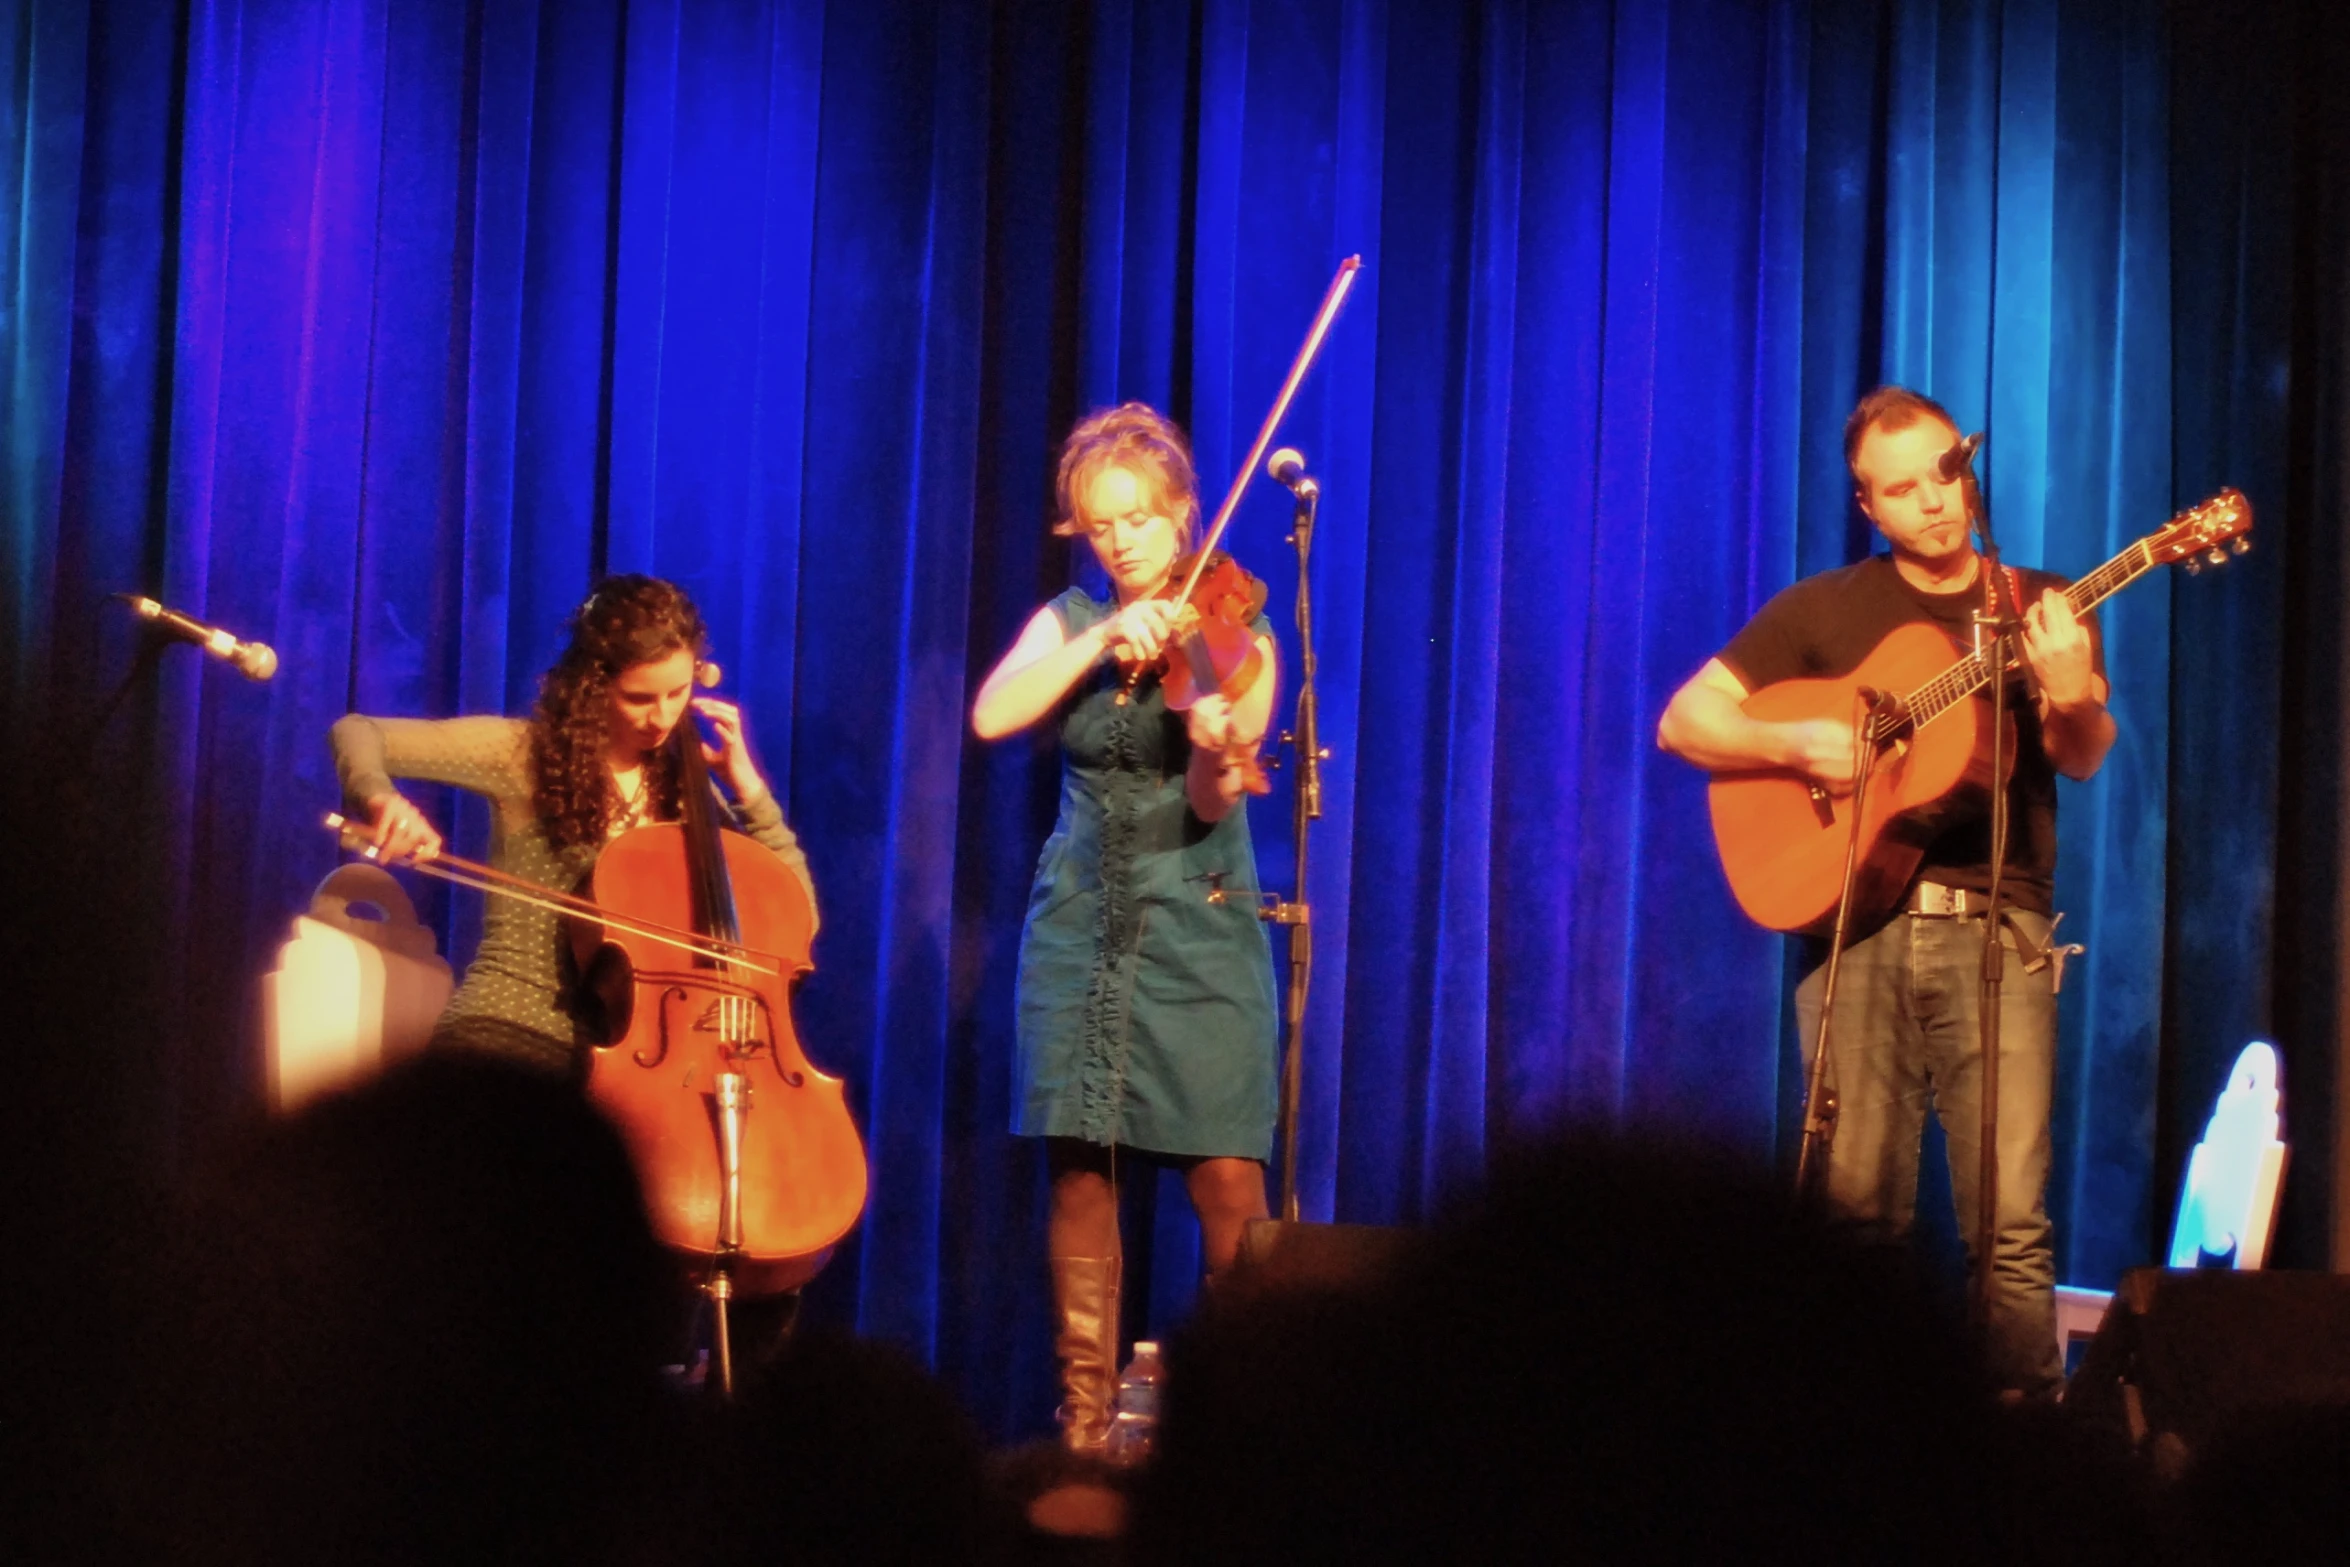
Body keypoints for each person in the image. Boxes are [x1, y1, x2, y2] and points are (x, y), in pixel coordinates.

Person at [1656, 385, 2115, 1398]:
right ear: (1868, 504)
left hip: (1997, 931)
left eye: (1945, 474)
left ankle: (2020, 1465)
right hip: (1853, 931)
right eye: (1902, 489)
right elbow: (1685, 721)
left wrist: (2074, 692)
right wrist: (1795, 739)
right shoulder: (1824, 610)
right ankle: (1846, 1454)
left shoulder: (2035, 603)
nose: (1933, 503)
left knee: (2008, 1222)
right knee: (1851, 1220)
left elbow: (2079, 755)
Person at [972, 401, 1281, 1453]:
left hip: (1197, 922)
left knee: (1230, 1179)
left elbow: (1210, 800)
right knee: (1079, 1171)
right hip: (1080, 922)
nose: (1122, 542)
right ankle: (1083, 1427)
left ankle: (1230, 1426)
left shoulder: (1239, 623)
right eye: (1102, 527)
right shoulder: (1070, 618)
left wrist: (1211, 739)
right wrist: (1105, 634)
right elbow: (992, 714)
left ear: (1184, 512)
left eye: (1140, 521)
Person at [330, 574, 817, 1075]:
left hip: (625, 1068)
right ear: (594, 685)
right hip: (506, 1032)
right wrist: (381, 798)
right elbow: (357, 731)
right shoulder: (522, 754)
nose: (663, 717)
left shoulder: (684, 792)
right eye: (639, 698)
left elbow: (794, 922)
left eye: (678, 693)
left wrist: (751, 793)